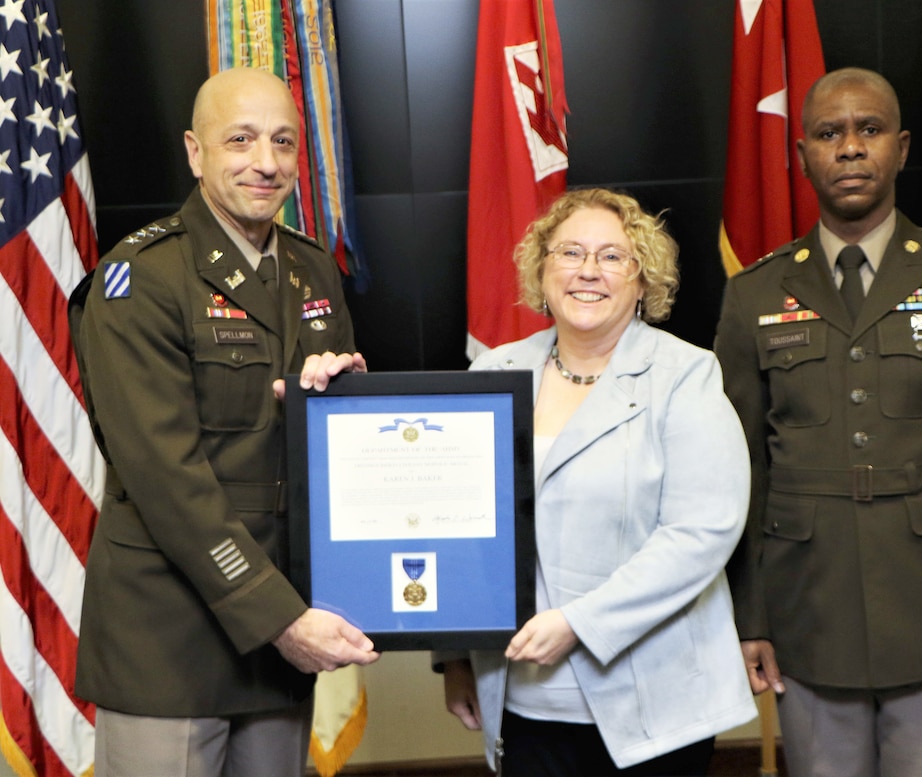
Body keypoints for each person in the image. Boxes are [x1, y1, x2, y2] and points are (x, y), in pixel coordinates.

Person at [714, 67, 922, 776]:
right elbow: (741, 476)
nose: (851, 147)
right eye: (830, 133)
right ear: (802, 154)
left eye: (869, 129)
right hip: (810, 624)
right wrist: (751, 620)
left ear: (901, 146)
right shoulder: (754, 295)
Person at [69, 67, 380, 777]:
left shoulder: (310, 271)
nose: (265, 163)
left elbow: (320, 446)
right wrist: (280, 617)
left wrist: (348, 410)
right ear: (194, 151)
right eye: (240, 140)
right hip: (171, 636)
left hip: (277, 632)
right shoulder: (140, 279)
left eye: (282, 142)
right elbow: (165, 478)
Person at [440, 188, 757, 776]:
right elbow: (457, 524)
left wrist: (580, 624)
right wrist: (455, 653)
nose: (589, 270)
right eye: (570, 253)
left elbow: (702, 531)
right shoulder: (493, 373)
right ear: (542, 271)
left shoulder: (686, 375)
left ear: (644, 280)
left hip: (655, 701)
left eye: (613, 257)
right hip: (522, 699)